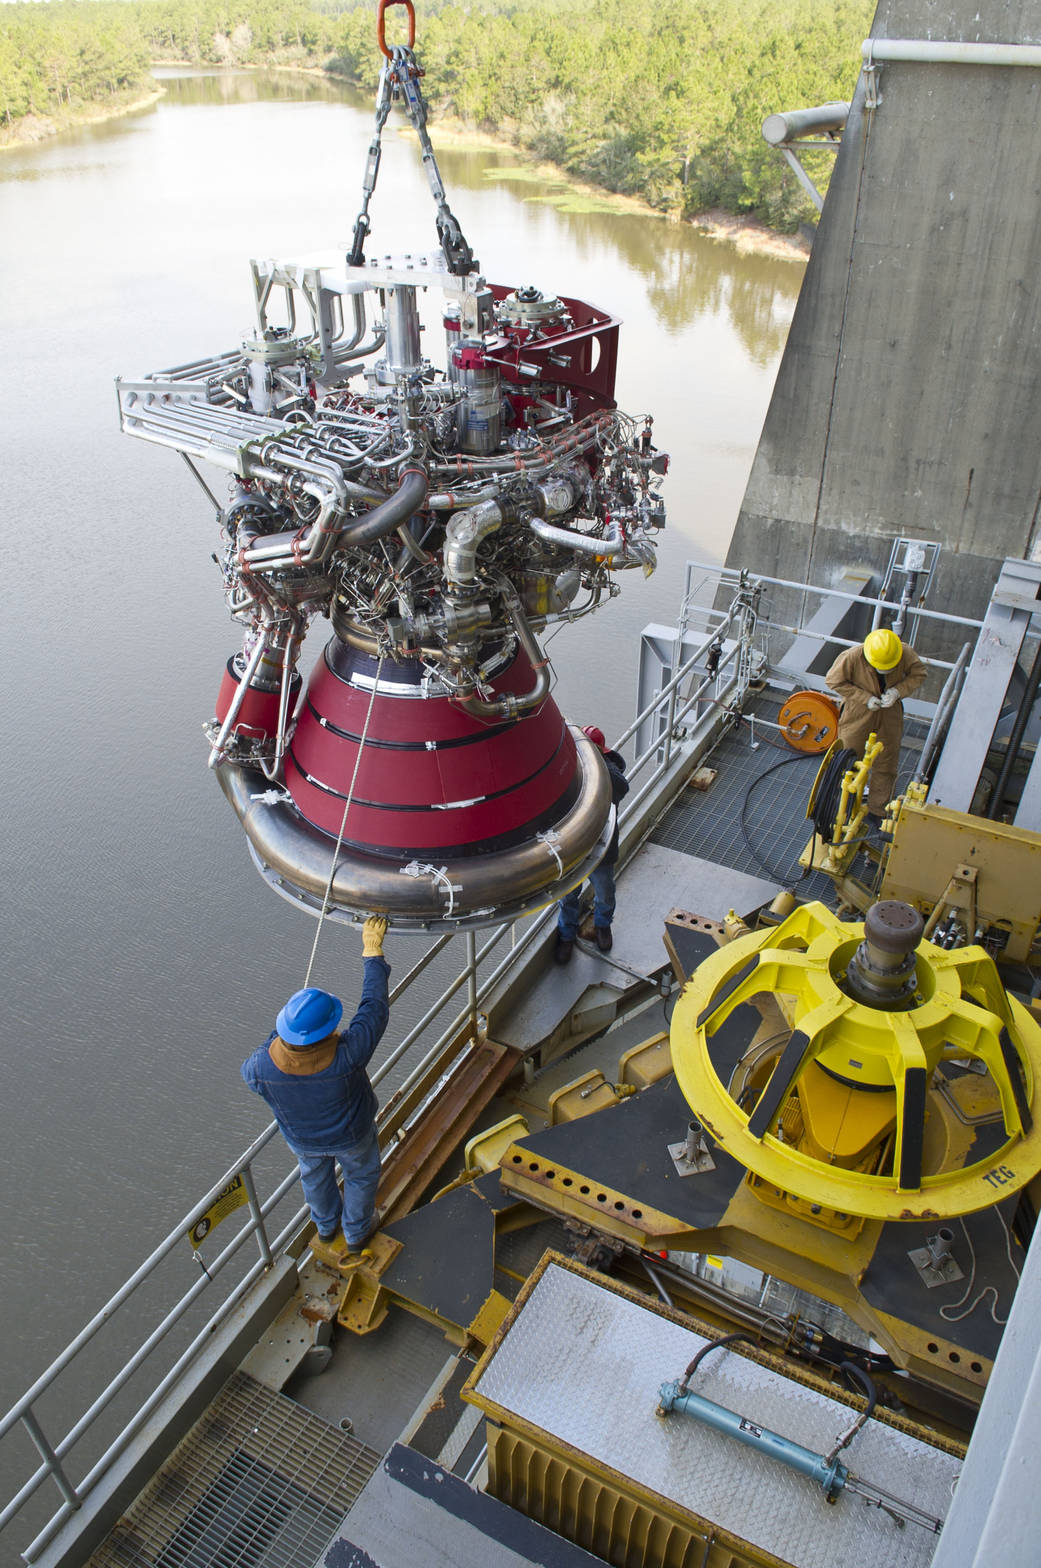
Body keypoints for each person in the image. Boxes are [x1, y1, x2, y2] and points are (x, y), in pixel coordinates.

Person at [241, 916, 390, 1254]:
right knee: (361, 1176)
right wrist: (372, 952)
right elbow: (374, 1008)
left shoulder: (262, 1067)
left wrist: (281, 1035)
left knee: (314, 1178)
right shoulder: (348, 1055)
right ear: (328, 1030)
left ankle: (326, 1228)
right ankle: (356, 1233)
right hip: (352, 1136)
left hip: (303, 1140)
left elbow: (253, 1073)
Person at [825, 629, 926, 820]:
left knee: (886, 762)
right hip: (857, 713)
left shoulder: (903, 652)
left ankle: (878, 809)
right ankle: (844, 804)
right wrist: (864, 698)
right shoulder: (852, 656)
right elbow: (833, 680)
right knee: (849, 758)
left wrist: (897, 691)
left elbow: (919, 673)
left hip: (890, 713)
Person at [555, 726, 629, 962]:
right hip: (572, 850)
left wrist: (596, 766)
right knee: (567, 896)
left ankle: (603, 926)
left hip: (600, 848)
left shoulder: (609, 774)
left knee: (605, 892)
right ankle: (566, 935)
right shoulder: (567, 769)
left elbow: (621, 787)